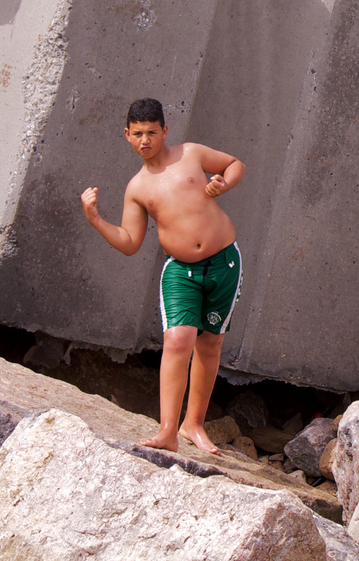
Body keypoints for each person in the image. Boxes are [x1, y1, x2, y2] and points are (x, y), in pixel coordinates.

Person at [80, 97, 246, 454]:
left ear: (164, 131)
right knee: (178, 339)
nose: (145, 141)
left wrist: (224, 184)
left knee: (210, 342)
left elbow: (234, 164)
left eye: (152, 132)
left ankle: (194, 425)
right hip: (181, 272)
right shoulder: (137, 188)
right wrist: (95, 218)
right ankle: (168, 429)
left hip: (224, 262)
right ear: (127, 135)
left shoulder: (191, 153)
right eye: (137, 134)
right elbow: (129, 242)